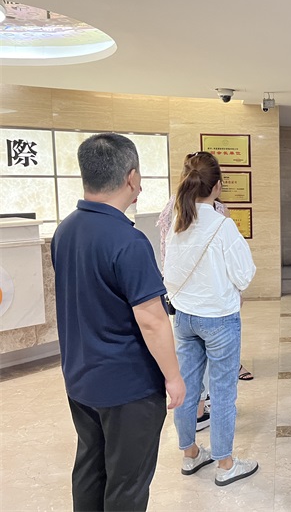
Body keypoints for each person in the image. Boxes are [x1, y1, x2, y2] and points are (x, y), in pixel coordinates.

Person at [51, 132, 186, 511]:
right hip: (128, 388)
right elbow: (152, 320)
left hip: (80, 379)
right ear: (131, 177)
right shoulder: (128, 241)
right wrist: (173, 377)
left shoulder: (65, 230)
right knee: (127, 484)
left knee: (90, 468)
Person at [164, 151, 258, 487]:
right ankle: (226, 464)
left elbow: (169, 274)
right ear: (217, 186)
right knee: (222, 391)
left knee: (188, 389)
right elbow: (244, 274)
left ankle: (190, 454)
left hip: (184, 317)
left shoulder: (179, 223)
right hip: (219, 318)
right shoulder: (222, 225)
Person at [158, 197, 254, 382]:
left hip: (184, 305)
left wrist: (172, 287)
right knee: (222, 380)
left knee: (189, 377)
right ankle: (231, 369)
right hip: (215, 305)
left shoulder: (176, 207)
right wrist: (238, 291)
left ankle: (199, 400)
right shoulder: (217, 213)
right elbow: (238, 268)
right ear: (216, 185)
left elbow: (166, 253)